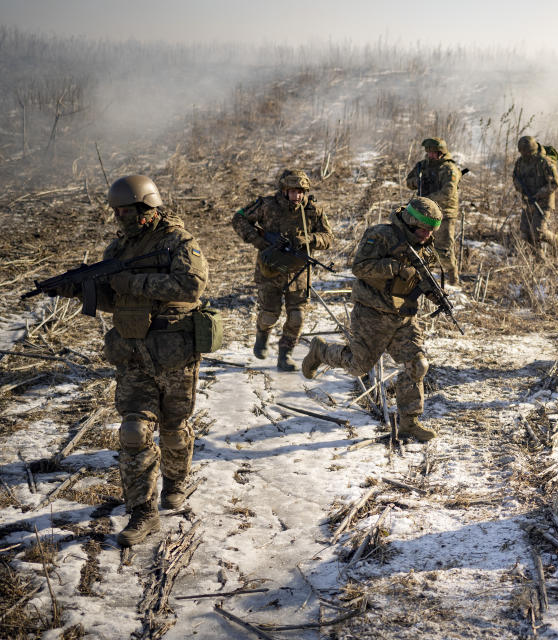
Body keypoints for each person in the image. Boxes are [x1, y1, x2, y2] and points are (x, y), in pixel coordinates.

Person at [46, 175, 209, 546]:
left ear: (147, 207)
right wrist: (75, 289)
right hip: (132, 354)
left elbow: (190, 287)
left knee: (174, 429)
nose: (121, 217)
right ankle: (143, 512)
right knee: (133, 432)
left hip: (173, 352)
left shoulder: (179, 242)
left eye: (127, 210)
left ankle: (176, 482)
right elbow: (112, 298)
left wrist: (132, 284)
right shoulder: (117, 249)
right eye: (116, 211)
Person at [301, 196, 445, 442]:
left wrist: (434, 293)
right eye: (423, 228)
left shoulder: (426, 246)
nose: (427, 233)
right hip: (372, 314)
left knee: (418, 365)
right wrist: (396, 267)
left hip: (403, 317)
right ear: (410, 222)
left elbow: (419, 278)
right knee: (358, 367)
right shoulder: (380, 235)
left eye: (432, 229)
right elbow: (360, 268)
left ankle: (409, 421)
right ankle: (321, 351)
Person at [233, 169, 333, 371]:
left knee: (297, 317)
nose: (297, 196)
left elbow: (328, 238)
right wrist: (259, 241)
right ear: (284, 190)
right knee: (269, 313)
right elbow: (239, 219)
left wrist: (309, 239)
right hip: (270, 268)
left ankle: (285, 354)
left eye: (300, 192)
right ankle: (262, 335)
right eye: (292, 191)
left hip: (298, 272)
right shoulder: (267, 205)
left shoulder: (312, 211)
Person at [405, 138, 462, 285]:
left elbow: (448, 192)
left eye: (433, 152)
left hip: (445, 213)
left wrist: (428, 201)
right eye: (428, 152)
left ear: (441, 153)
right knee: (419, 244)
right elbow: (408, 181)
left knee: (443, 249)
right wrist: (416, 182)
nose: (430, 155)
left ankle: (452, 277)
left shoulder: (449, 169)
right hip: (423, 214)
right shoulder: (422, 166)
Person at [512, 135, 558, 257]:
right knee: (525, 233)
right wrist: (520, 188)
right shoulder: (520, 162)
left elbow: (555, 183)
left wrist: (539, 194)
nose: (525, 155)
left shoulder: (545, 162)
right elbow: (515, 177)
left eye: (527, 152)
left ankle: (555, 240)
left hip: (544, 202)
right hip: (528, 201)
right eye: (523, 152)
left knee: (538, 231)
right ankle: (540, 258)